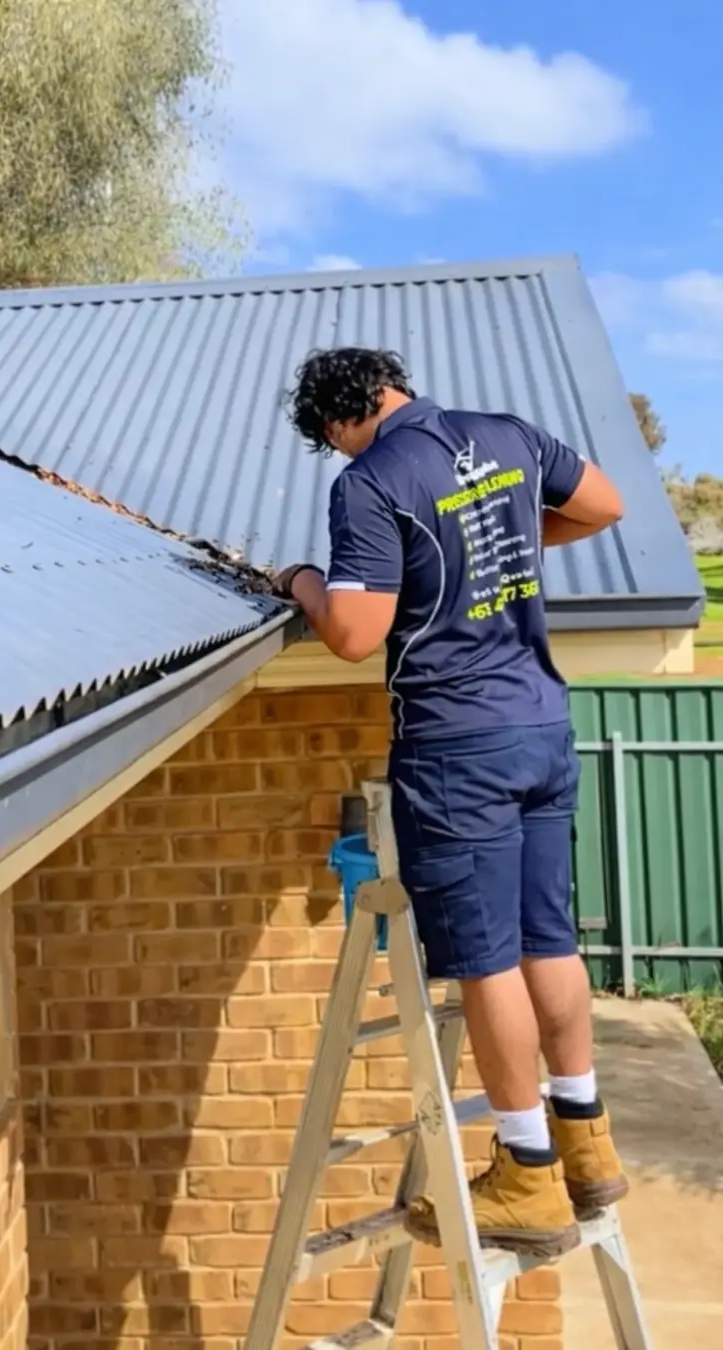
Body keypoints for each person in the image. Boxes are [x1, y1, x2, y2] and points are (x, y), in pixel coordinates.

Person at [274, 346, 628, 1257]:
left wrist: (303, 583)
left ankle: (527, 1175)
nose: (336, 450)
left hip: (457, 746)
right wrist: (493, 535)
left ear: (339, 419)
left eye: (328, 438)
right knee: (550, 939)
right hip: (542, 726)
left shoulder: (372, 479)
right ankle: (585, 1140)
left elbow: (355, 632)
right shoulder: (503, 435)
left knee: (485, 961)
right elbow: (603, 505)